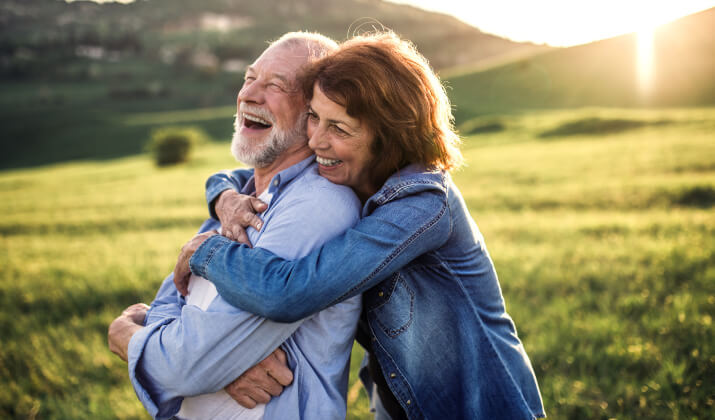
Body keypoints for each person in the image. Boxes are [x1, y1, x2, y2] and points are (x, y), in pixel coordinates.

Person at [175, 32, 546, 419]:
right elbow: (237, 176)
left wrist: (205, 250)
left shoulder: (423, 204)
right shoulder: (353, 177)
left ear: (388, 138)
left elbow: (289, 293)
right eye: (315, 117)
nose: (316, 140)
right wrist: (224, 198)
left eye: (339, 128)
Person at [107, 32, 364, 420]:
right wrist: (217, 366)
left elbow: (185, 366)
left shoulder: (317, 205)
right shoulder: (237, 202)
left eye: (276, 85)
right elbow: (172, 306)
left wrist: (126, 335)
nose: (249, 95)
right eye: (249, 78)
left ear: (315, 115)